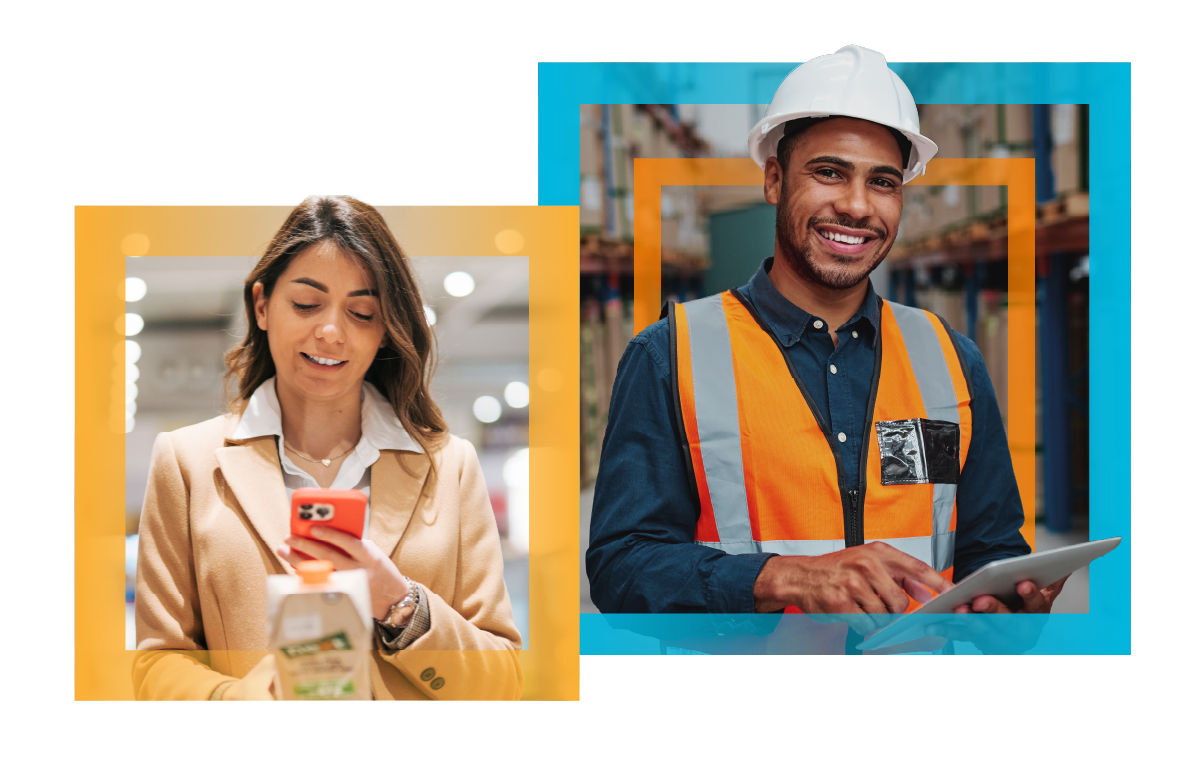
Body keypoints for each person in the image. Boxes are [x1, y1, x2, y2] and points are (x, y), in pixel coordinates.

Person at [586, 45, 1066, 624]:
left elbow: (990, 549)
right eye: (830, 172)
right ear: (774, 180)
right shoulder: (669, 356)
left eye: (883, 182)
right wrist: (784, 577)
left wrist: (1007, 608)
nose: (857, 206)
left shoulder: (948, 358)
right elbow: (621, 570)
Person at [134, 196, 522, 699]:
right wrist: (240, 702)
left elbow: (505, 679)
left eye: (362, 313)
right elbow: (156, 663)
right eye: (306, 304)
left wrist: (399, 603)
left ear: (385, 331)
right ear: (262, 306)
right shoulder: (186, 463)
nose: (332, 332)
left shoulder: (449, 467)